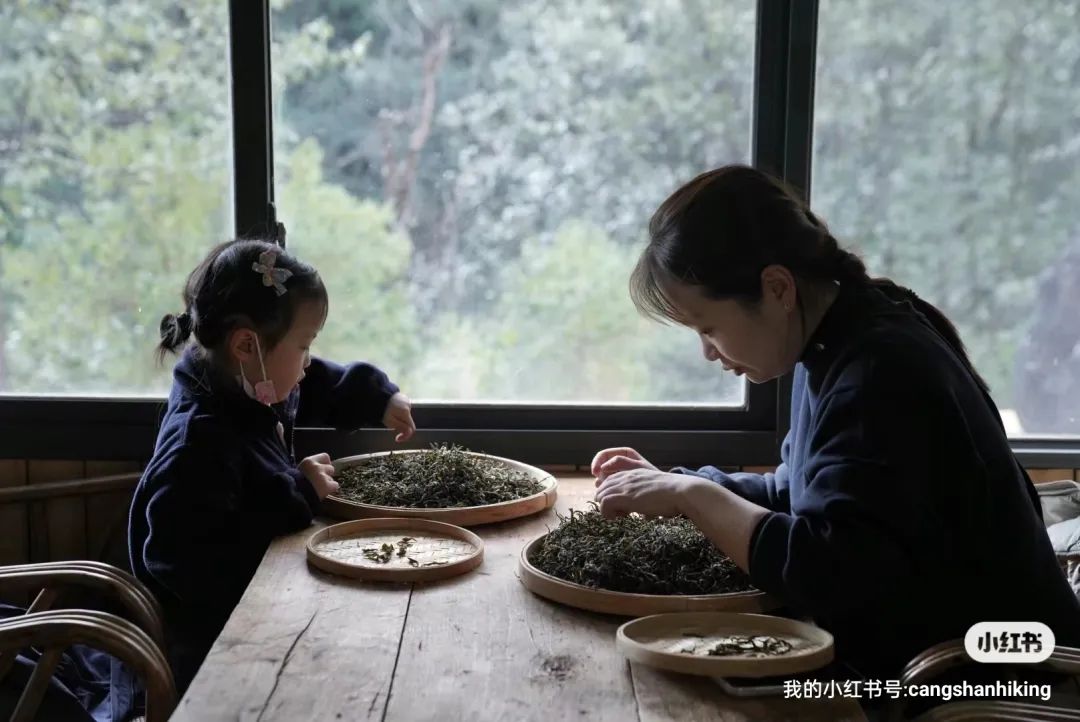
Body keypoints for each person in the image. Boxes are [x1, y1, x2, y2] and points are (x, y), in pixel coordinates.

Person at [591, 165, 1080, 680]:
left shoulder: (882, 375)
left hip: (983, 683)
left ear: (777, 288)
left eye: (708, 327)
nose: (708, 353)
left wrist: (695, 498)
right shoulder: (839, 337)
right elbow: (801, 493)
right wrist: (682, 484)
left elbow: (824, 572)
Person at [128, 239, 416, 694]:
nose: (306, 364)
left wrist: (377, 398)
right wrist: (296, 493)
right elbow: (180, 560)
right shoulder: (198, 441)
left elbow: (313, 381)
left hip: (258, 607)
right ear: (247, 344)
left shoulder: (250, 382)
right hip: (207, 653)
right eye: (303, 347)